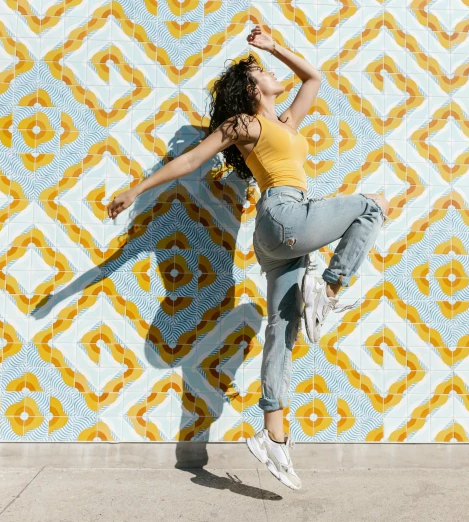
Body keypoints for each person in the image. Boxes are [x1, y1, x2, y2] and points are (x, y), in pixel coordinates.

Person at [108, 25, 389, 490]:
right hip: (283, 215)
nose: (271, 71)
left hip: (279, 233)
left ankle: (273, 437)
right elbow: (190, 160)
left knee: (283, 329)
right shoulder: (244, 125)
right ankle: (331, 289)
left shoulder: (286, 124)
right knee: (371, 205)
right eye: (263, 70)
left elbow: (314, 79)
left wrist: (273, 46)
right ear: (252, 87)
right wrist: (135, 188)